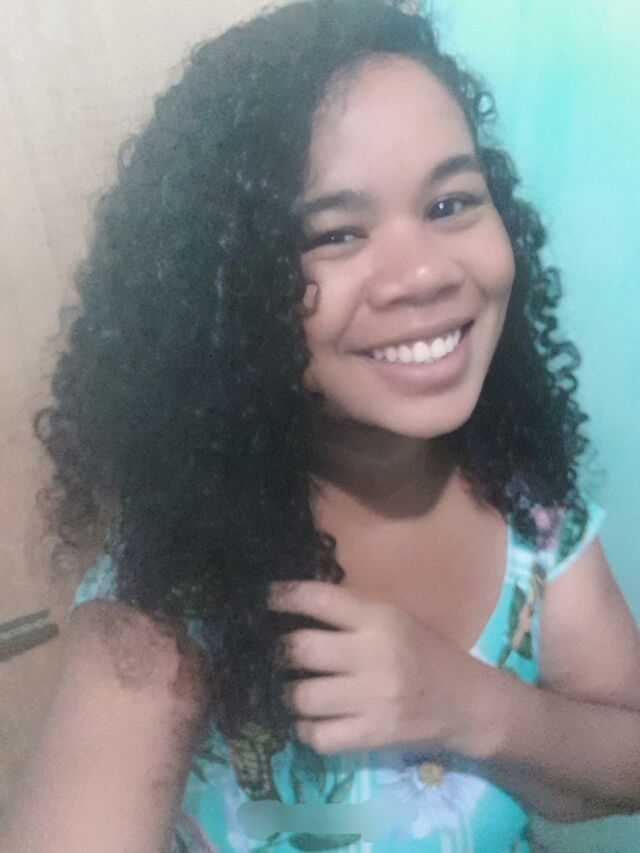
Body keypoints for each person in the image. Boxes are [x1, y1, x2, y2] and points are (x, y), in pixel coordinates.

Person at [4, 0, 640, 851]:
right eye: (336, 232)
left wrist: (472, 706)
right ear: (227, 290)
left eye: (450, 203)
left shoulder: (535, 514)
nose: (423, 273)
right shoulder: (176, 589)